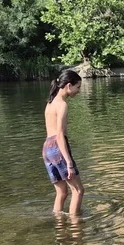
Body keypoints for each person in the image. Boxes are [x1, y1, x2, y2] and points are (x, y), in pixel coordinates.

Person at [43, 69, 84, 215]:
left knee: (62, 193)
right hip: (58, 146)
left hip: (47, 148)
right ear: (68, 86)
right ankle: (75, 226)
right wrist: (69, 163)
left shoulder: (50, 102)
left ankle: (59, 225)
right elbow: (60, 135)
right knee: (78, 190)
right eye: (77, 87)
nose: (78, 91)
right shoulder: (62, 105)